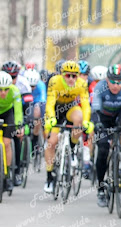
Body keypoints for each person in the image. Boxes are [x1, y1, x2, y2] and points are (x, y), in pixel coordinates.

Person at [91, 64, 121, 207]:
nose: (115, 85)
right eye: (112, 81)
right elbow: (95, 111)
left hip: (119, 116)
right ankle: (100, 187)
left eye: (119, 82)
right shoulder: (100, 88)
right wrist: (97, 126)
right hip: (103, 119)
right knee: (103, 150)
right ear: (107, 79)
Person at [43, 61, 93, 193]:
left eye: (74, 76)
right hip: (56, 109)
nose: (71, 79)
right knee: (51, 143)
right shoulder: (55, 81)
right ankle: (49, 177)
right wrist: (51, 118)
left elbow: (86, 104)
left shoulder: (82, 83)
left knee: (79, 119)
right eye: (68, 75)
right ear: (62, 75)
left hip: (70, 108)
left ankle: (72, 149)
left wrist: (87, 121)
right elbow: (50, 102)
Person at [0, 71, 23, 192]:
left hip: (8, 113)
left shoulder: (15, 91)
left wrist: (19, 125)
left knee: (7, 143)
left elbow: (18, 111)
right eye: (0, 90)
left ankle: (7, 175)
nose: (3, 93)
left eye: (6, 89)